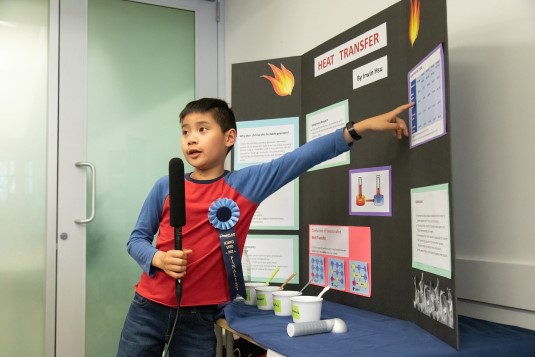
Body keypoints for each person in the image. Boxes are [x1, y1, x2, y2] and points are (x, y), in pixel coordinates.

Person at [117, 98, 413, 357]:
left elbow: (298, 159)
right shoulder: (166, 185)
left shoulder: (245, 185)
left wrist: (358, 128)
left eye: (202, 129)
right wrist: (158, 258)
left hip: (200, 318)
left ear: (229, 137)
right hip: (148, 309)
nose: (191, 139)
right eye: (185, 132)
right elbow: (137, 239)